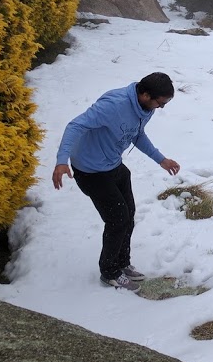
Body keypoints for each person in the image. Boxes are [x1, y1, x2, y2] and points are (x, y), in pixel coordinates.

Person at [52, 72, 181, 292]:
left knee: (128, 214)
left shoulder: (144, 108)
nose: (161, 108)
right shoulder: (114, 105)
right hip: (91, 171)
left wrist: (161, 159)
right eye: (160, 103)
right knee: (117, 219)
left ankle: (122, 262)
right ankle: (109, 272)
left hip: (113, 165)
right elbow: (75, 126)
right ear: (145, 94)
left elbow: (136, 134)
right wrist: (61, 161)